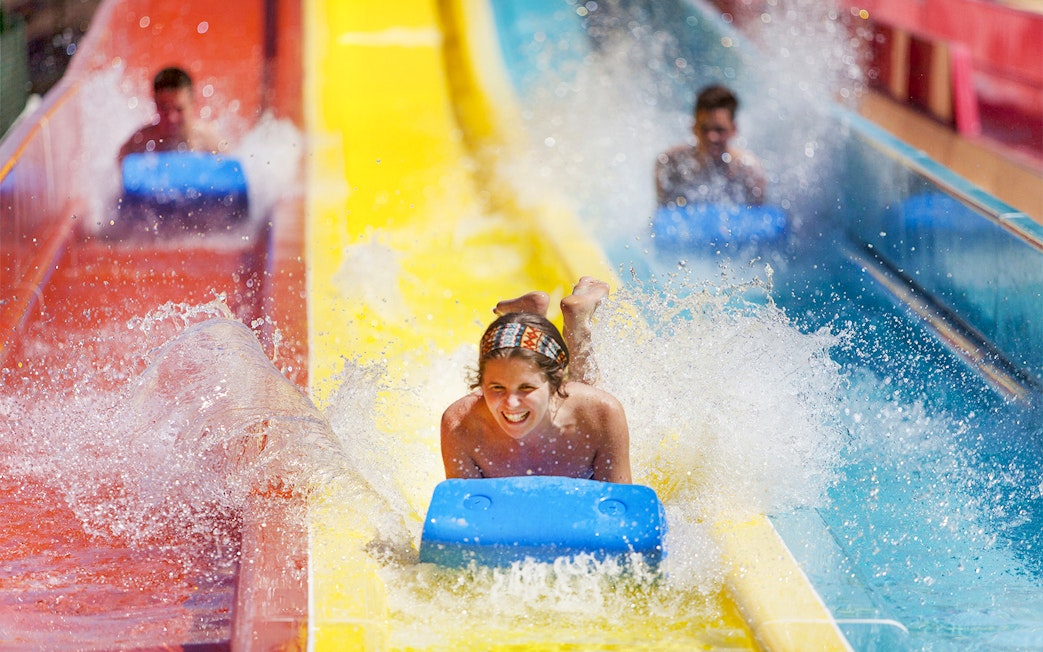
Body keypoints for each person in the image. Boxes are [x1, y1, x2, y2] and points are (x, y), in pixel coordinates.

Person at [440, 277, 632, 484]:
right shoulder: (460, 425)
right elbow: (466, 511)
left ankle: (577, 321)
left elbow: (619, 505)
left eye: (526, 387)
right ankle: (529, 317)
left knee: (585, 387)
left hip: (576, 402)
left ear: (556, 381)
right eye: (497, 387)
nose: (511, 403)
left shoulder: (601, 413)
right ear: (481, 382)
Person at [655, 84, 766, 208]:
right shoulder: (671, 164)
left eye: (719, 130)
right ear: (694, 127)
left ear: (733, 129)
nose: (712, 137)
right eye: (704, 129)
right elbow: (663, 216)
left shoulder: (749, 171)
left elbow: (756, 218)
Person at [118, 66, 226, 161]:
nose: (171, 118)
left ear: (192, 103)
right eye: (164, 109)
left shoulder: (209, 142)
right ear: (155, 104)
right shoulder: (140, 141)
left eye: (179, 109)